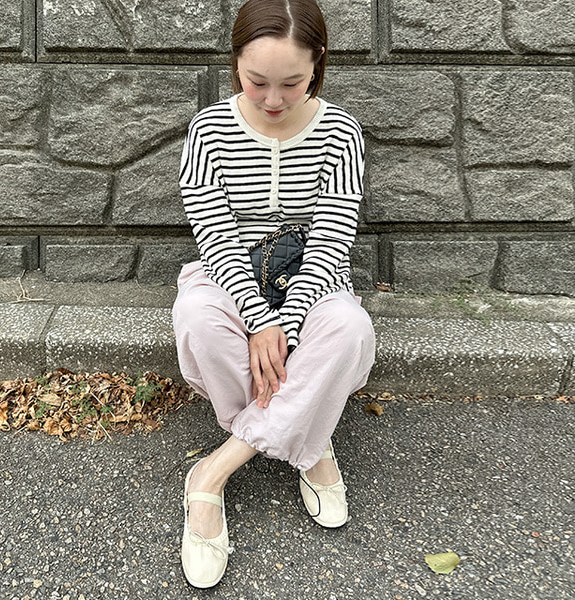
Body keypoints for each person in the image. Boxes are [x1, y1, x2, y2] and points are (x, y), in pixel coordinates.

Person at [172, 0, 376, 588]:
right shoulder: (209, 131)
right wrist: (260, 319)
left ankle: (214, 472)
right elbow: (216, 236)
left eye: (293, 82)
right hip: (230, 276)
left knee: (349, 329)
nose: (273, 99)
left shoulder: (340, 132)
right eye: (256, 80)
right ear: (235, 62)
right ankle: (309, 436)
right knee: (198, 315)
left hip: (313, 281)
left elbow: (332, 238)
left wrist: (288, 322)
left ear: (318, 65)